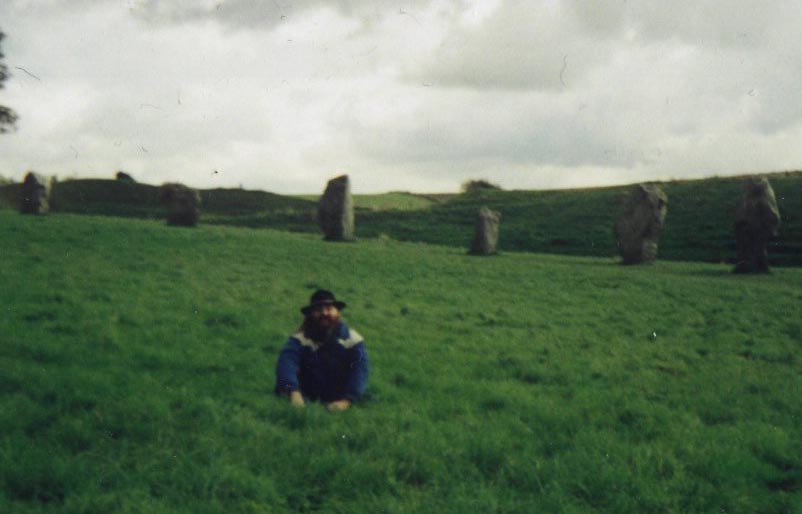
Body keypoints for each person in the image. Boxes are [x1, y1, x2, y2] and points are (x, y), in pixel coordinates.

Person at [274, 290, 369, 411]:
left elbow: (360, 372)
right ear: (311, 314)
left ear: (337, 312)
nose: (324, 313)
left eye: (329, 309)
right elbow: (286, 365)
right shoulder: (300, 339)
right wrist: (293, 392)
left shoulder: (353, 340)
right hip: (305, 393)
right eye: (318, 310)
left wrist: (347, 401)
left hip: (339, 395)